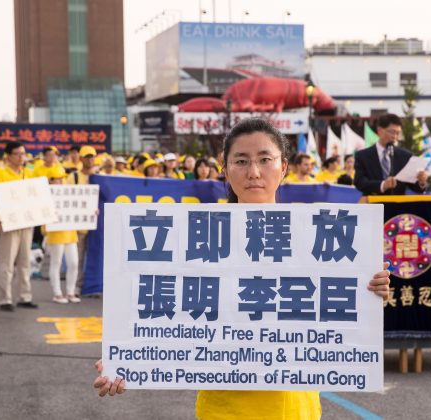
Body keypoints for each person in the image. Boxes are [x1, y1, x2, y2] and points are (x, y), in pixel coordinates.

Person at [92, 118, 391, 419]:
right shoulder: (194, 238)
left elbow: (338, 315)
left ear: (283, 166)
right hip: (225, 410)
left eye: (265, 159)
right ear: (224, 167)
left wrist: (370, 293)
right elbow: (166, 306)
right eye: (241, 161)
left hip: (295, 409)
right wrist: (124, 358)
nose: (254, 172)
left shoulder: (317, 238)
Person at [0, 141, 39, 311]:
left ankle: (25, 296)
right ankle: (5, 299)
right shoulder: (0, 174)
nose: (22, 157)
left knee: (25, 261)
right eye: (18, 154)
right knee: (7, 262)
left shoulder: (28, 173)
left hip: (26, 221)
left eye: (23, 153)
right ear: (8, 156)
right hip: (9, 222)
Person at [354, 113, 428, 195]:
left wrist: (421, 182)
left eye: (398, 133)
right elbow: (360, 182)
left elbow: (415, 187)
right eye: (392, 132)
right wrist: (383, 185)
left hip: (397, 206)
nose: (395, 137)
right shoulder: (363, 156)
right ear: (379, 131)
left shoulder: (405, 156)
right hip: (373, 205)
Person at [44, 166, 80, 304]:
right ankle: (57, 293)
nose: (61, 181)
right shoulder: (46, 195)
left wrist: (90, 213)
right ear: (51, 181)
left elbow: (80, 208)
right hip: (55, 232)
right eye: (58, 179)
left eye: (62, 178)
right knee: (56, 262)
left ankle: (70, 292)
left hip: (70, 231)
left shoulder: (69, 192)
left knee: (74, 263)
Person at [67, 146, 98, 296]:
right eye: (87, 157)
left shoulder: (100, 177)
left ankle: (92, 286)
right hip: (79, 225)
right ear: (81, 159)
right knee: (77, 258)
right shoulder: (74, 177)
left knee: (94, 257)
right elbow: (66, 198)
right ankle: (76, 286)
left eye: (92, 157)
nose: (90, 160)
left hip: (97, 226)